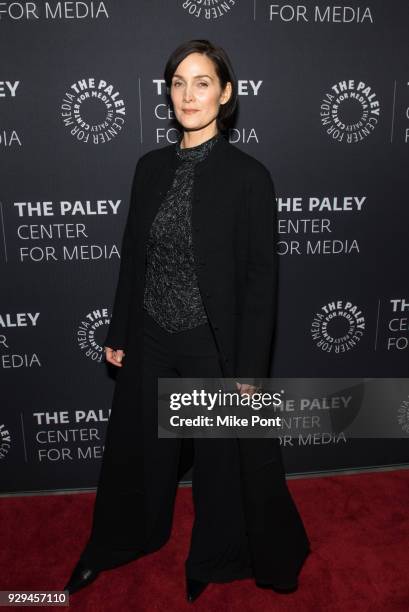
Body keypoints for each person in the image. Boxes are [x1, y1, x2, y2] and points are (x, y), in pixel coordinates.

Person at [64, 39, 310, 603]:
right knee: (136, 452)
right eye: (178, 82)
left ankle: (213, 557)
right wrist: (120, 331)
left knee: (221, 463)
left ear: (226, 94)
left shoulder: (250, 177)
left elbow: (259, 283)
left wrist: (248, 371)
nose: (188, 94)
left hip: (210, 346)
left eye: (202, 82)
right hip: (150, 337)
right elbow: (134, 256)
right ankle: (119, 540)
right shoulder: (149, 168)